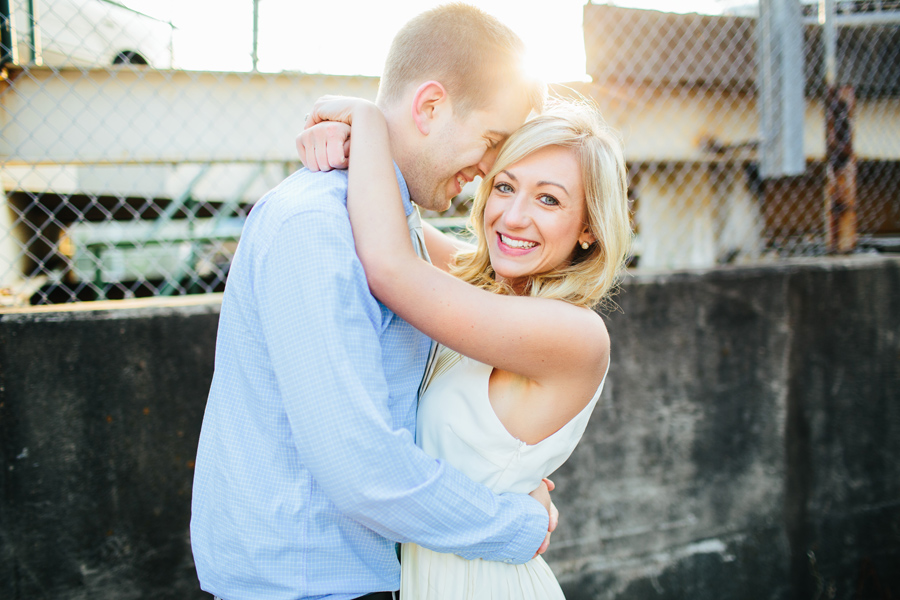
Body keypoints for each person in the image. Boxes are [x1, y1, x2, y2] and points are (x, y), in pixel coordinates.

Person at [190, 4, 556, 600]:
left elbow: (472, 277)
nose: (491, 169)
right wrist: (513, 523)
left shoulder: (387, 220)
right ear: (431, 106)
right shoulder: (317, 227)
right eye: (492, 141)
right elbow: (362, 470)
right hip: (305, 588)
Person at [297, 95, 632, 598]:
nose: (514, 217)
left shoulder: (575, 334)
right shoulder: (480, 286)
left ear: (588, 227)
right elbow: (392, 217)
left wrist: (366, 121)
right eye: (504, 186)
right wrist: (343, 143)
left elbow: (390, 265)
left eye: (548, 199)